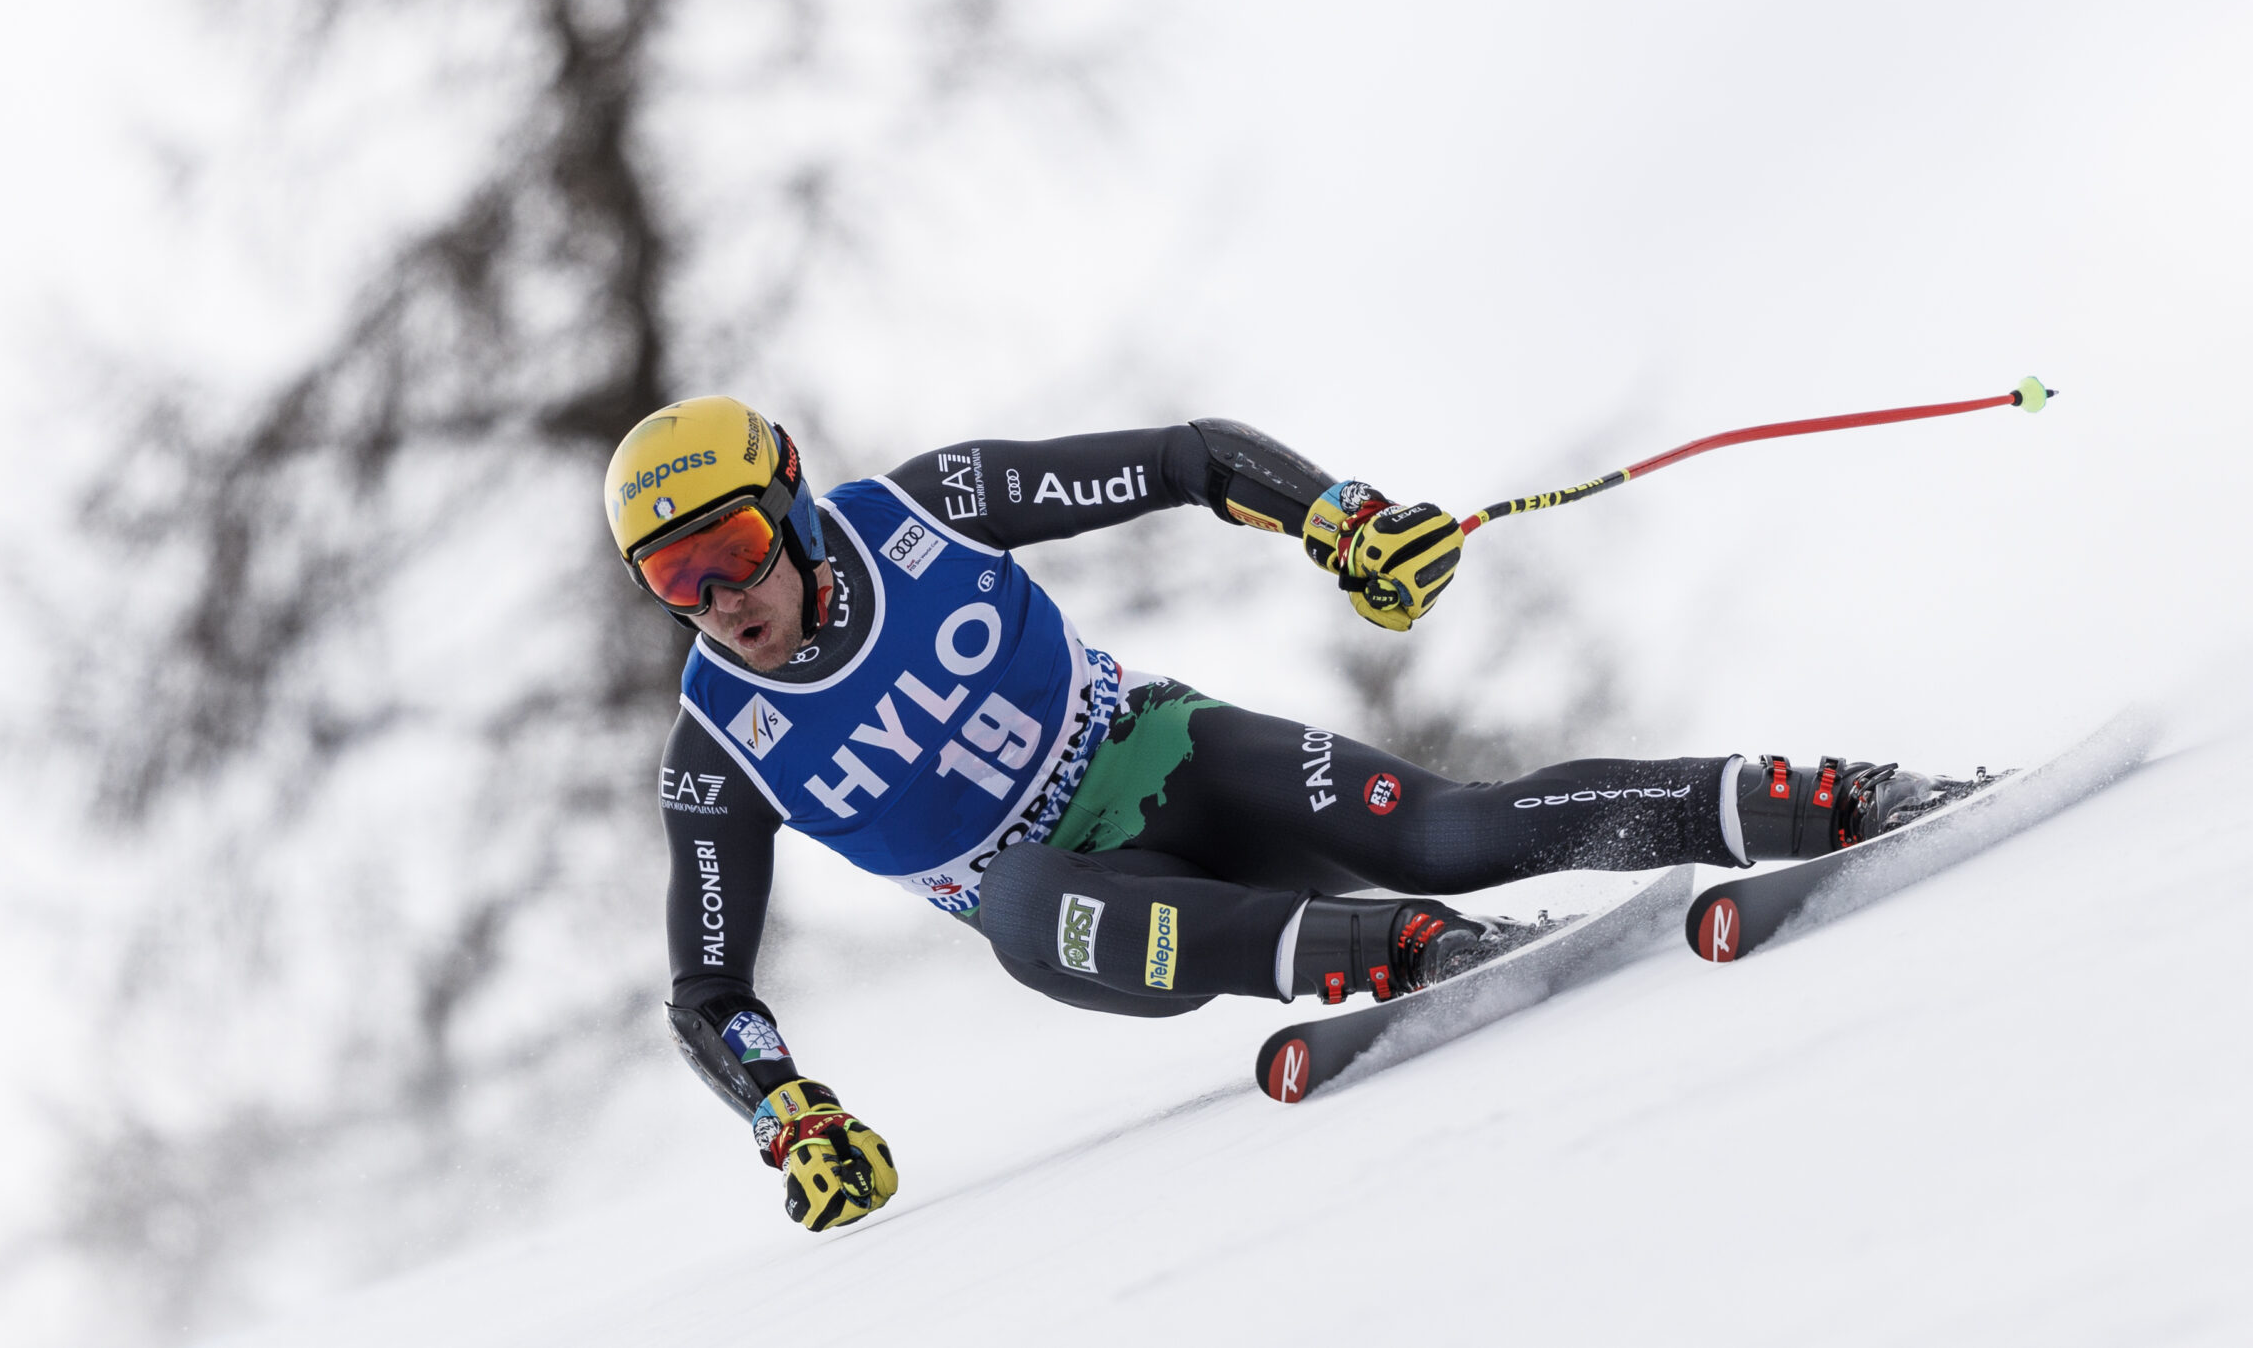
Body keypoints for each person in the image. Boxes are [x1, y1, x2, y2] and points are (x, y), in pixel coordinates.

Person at [608, 397, 1939, 1230]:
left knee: (1451, 831)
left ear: (788, 501)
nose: (716, 598)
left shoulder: (927, 511)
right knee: (1013, 896)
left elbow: (1185, 458)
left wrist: (1341, 521)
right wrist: (791, 1111)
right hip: (1094, 914)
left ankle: (1814, 800)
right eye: (674, 578)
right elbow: (705, 985)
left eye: (726, 550)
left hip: (1168, 754)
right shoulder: (723, 742)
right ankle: (1399, 951)